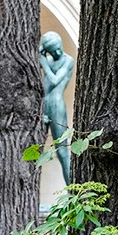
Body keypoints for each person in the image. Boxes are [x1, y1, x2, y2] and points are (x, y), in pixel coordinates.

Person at [40, 31, 75, 183]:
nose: (58, 52)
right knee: (36, 149)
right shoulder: (47, 59)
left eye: (59, 48)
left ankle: (72, 193)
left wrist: (43, 62)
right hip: (43, 105)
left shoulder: (68, 60)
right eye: (54, 51)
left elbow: (54, 80)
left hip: (56, 104)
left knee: (62, 151)